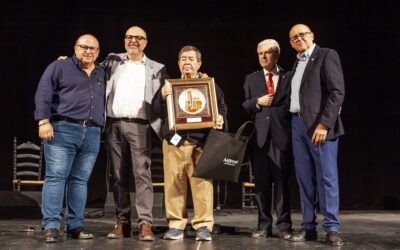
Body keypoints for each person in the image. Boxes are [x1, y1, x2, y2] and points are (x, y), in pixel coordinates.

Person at [34, 34, 105, 243]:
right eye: (84, 47)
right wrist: (43, 121)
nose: (88, 51)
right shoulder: (59, 66)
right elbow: (43, 93)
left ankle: (75, 225)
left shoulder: (102, 71)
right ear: (75, 48)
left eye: (93, 49)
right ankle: (51, 226)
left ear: (98, 52)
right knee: (56, 178)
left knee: (80, 181)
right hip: (63, 129)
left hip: (92, 132)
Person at [152, 45, 227, 241]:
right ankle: (176, 225)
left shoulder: (209, 85)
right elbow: (156, 109)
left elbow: (221, 109)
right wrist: (162, 95)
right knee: (174, 185)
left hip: (201, 143)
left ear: (199, 63)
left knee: (202, 186)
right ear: (178, 63)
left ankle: (203, 226)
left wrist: (220, 119)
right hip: (174, 143)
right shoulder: (169, 85)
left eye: (191, 59)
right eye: (183, 59)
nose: (187, 62)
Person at [103, 26, 167, 241]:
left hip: (140, 127)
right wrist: (68, 61)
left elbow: (162, 101)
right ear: (124, 40)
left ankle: (145, 223)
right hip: (113, 125)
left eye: (138, 38)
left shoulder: (156, 69)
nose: (133, 41)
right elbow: (88, 70)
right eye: (129, 37)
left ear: (146, 42)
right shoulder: (111, 62)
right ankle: (122, 222)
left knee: (142, 175)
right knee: (118, 176)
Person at [286, 24, 345, 246]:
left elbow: (337, 92)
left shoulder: (326, 55)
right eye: (294, 38)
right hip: (297, 124)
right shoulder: (297, 62)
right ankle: (308, 227)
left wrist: (324, 124)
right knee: (304, 179)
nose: (299, 39)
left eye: (303, 34)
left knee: (327, 178)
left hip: (319, 126)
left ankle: (331, 228)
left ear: (312, 36)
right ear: (291, 44)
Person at [242, 39, 293, 240]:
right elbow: (245, 106)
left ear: (277, 55)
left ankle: (284, 226)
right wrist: (257, 102)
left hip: (282, 137)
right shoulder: (251, 79)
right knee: (261, 185)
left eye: (268, 53)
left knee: (282, 184)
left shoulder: (288, 76)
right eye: (260, 53)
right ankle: (264, 225)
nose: (263, 56)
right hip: (259, 140)